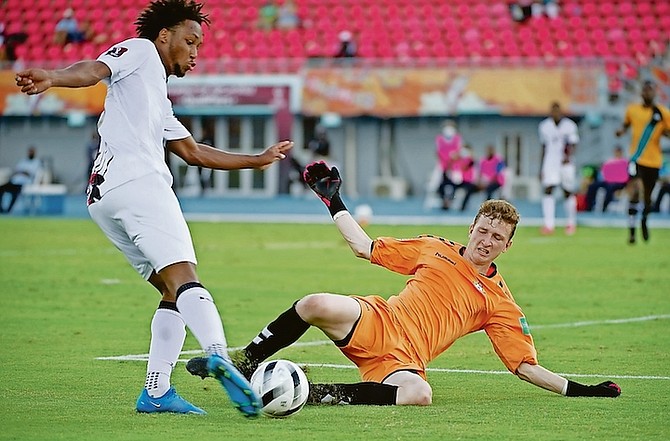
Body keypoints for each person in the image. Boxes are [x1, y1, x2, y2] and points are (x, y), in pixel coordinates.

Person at [16, 0, 293, 417]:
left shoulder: (156, 97)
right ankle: (218, 354)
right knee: (185, 277)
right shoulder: (142, 51)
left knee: (171, 290)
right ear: (165, 36)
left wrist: (256, 159)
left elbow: (193, 152)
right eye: (190, 40)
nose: (195, 52)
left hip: (104, 198)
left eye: (199, 44)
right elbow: (95, 69)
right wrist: (53, 77)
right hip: (138, 183)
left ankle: (156, 392)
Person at [187, 161, 622, 405]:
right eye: (483, 231)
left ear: (507, 247)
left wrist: (584, 391)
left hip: (405, 357)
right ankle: (246, 361)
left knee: (419, 394)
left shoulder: (500, 303)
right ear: (472, 227)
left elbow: (524, 366)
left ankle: (316, 393)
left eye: (497, 238)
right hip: (379, 319)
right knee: (316, 302)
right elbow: (364, 247)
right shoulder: (433, 247)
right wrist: (332, 199)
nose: (487, 242)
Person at [615, 80, 670, 244]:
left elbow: (668, 132)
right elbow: (625, 125)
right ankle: (632, 233)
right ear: (641, 93)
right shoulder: (632, 110)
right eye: (645, 91)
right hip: (636, 158)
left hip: (653, 161)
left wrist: (663, 131)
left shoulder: (662, 113)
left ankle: (644, 219)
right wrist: (621, 131)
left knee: (647, 198)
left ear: (655, 93)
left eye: (651, 91)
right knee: (635, 191)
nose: (648, 94)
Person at [538, 102, 579, 235]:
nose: (555, 113)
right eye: (553, 110)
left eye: (557, 110)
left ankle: (570, 223)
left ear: (560, 111)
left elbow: (573, 143)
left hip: (565, 163)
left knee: (567, 191)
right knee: (548, 189)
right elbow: (543, 146)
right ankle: (549, 224)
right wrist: (541, 167)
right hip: (550, 162)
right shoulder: (544, 126)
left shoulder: (569, 125)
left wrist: (568, 156)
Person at [584, 146, 629, 213]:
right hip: (608, 181)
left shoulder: (625, 162)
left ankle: (605, 206)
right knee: (592, 186)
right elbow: (604, 173)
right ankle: (589, 206)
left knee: (610, 188)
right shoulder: (610, 161)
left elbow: (625, 176)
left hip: (619, 183)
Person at [0, 146, 41, 214]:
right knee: (1, 189)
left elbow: (31, 173)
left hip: (24, 183)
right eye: (29, 151)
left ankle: (9, 210)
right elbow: (16, 171)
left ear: (35, 153)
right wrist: (22, 172)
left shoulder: (37, 162)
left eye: (32, 152)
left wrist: (22, 172)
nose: (30, 153)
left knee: (15, 193)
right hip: (14, 181)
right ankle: (1, 209)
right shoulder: (23, 161)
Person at [435, 119, 462, 210]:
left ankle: (450, 201)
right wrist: (446, 164)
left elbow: (457, 153)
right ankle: (444, 201)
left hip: (454, 167)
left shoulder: (457, 138)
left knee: (455, 183)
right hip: (443, 167)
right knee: (439, 185)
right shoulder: (439, 139)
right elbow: (438, 152)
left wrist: (451, 163)